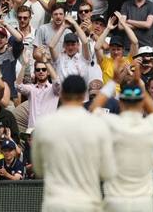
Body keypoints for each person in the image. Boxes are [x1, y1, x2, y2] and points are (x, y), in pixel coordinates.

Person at [33, 75, 113, 212]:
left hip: (55, 205)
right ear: (84, 96)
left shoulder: (43, 125)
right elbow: (107, 172)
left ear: (62, 94)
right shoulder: (99, 125)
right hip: (87, 204)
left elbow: (39, 170)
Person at [93, 69, 153, 212]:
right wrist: (139, 85)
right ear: (142, 102)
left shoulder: (112, 123)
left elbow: (94, 108)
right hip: (144, 204)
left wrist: (113, 81)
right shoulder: (152, 125)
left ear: (121, 103)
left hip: (115, 202)